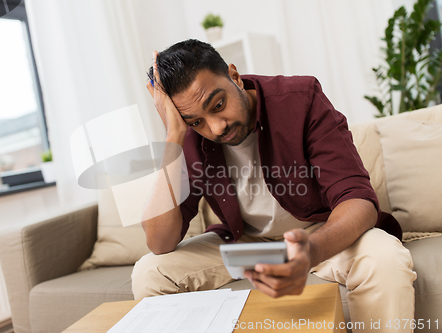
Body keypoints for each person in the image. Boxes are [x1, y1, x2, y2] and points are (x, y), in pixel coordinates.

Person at [131, 39, 416, 332]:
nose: (216, 128)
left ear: (234, 76)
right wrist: (174, 136)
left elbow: (357, 199)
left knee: (384, 259)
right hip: (247, 244)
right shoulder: (189, 136)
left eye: (218, 105)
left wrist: (310, 251)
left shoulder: (300, 98)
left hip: (319, 230)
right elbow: (159, 242)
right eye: (196, 122)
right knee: (150, 273)